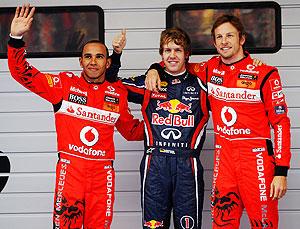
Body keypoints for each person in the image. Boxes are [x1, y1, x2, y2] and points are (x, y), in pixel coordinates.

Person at [146, 15, 291, 229]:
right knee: (222, 222)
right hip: (224, 161)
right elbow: (176, 63)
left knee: (264, 223)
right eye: (219, 37)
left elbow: (280, 123)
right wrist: (154, 68)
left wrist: (281, 171)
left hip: (257, 161)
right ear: (214, 43)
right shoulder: (209, 68)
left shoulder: (265, 73)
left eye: (229, 35)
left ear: (242, 39)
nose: (224, 41)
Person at [7, 4, 144, 229]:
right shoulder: (63, 85)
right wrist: (15, 38)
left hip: (102, 176)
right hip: (71, 173)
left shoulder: (117, 93)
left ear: (107, 63)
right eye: (87, 56)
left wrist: (163, 124)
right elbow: (21, 73)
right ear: (80, 61)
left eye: (99, 57)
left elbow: (131, 131)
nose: (93, 61)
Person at [121, 28, 209, 229]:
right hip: (155, 164)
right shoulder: (149, 82)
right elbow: (110, 84)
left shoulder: (202, 84)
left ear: (187, 54)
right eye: (167, 50)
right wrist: (117, 56)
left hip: (188, 164)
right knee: (153, 226)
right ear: (161, 54)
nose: (172, 55)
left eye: (178, 50)